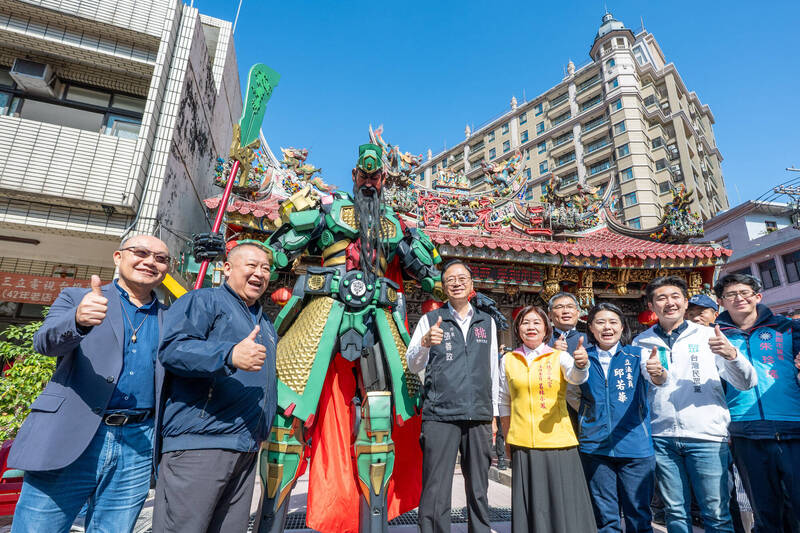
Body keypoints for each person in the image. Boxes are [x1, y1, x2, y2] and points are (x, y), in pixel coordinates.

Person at [256, 143, 445, 533]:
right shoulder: (328, 212)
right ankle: (269, 524)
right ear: (355, 176)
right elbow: (273, 255)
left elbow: (434, 278)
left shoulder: (398, 226)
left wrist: (460, 292)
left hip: (378, 322)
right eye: (364, 175)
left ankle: (373, 523)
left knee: (379, 422)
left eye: (376, 176)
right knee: (285, 419)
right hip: (322, 316)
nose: (370, 181)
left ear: (384, 180)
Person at [10, 236, 170, 533]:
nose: (150, 262)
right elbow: (44, 343)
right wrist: (78, 321)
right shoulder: (77, 298)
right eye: (141, 252)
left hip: (138, 441)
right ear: (118, 257)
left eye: (161, 258)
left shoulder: (170, 318)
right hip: (71, 433)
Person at [152, 241, 277, 533]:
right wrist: (229, 355)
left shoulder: (264, 322)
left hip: (245, 445)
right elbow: (173, 350)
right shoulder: (203, 301)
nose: (259, 273)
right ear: (227, 268)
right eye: (251, 265)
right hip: (201, 442)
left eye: (265, 268)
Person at [633, 275, 757, 533]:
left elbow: (747, 382)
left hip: (706, 436)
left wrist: (732, 355)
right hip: (662, 437)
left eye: (675, 296)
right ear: (651, 306)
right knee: (675, 513)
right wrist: (657, 375)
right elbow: (653, 382)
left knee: (717, 513)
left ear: (685, 302)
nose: (669, 303)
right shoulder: (641, 341)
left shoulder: (709, 335)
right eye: (661, 298)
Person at [407, 260, 499, 533]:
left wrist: (493, 415)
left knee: (479, 488)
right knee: (436, 487)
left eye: (462, 279)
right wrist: (424, 344)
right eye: (450, 280)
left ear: (471, 284)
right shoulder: (430, 320)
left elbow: (493, 369)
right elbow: (412, 364)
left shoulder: (487, 322)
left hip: (478, 414)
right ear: (443, 287)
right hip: (440, 414)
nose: (457, 283)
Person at [714, 273, 800, 532]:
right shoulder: (715, 336)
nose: (738, 298)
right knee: (764, 508)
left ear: (757, 297)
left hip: (792, 425)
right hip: (745, 430)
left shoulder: (788, 328)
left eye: (744, 293)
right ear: (721, 302)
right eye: (731, 295)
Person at [498, 305, 596, 533]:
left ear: (546, 329)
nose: (531, 327)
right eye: (525, 323)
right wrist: (507, 435)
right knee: (532, 505)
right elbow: (503, 400)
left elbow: (576, 377)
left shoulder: (559, 356)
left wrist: (581, 364)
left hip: (558, 442)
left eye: (536, 322)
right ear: (517, 329)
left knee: (563, 502)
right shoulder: (508, 360)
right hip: (523, 442)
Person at [578, 302, 666, 533]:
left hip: (635, 446)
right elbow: (573, 385)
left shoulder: (638, 355)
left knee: (638, 514)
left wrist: (658, 372)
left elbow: (657, 378)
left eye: (613, 322)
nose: (607, 327)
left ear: (622, 327)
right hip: (595, 446)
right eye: (600, 322)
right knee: (604, 516)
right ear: (591, 328)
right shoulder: (582, 358)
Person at [548, 292, 589, 431]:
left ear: (578, 312)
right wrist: (551, 353)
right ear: (550, 314)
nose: (565, 311)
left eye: (570, 307)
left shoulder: (589, 339)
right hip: (550, 407)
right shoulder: (542, 341)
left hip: (583, 405)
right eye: (559, 307)